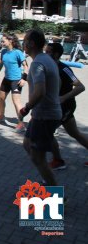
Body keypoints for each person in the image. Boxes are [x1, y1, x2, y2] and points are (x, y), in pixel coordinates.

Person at [19, 30, 62, 187]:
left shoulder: (38, 63)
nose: (23, 43)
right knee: (27, 143)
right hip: (43, 114)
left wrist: (26, 108)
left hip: (45, 116)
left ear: (31, 44)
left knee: (38, 157)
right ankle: (47, 176)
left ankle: (55, 194)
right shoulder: (46, 59)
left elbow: (40, 91)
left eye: (25, 40)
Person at [45, 42, 88, 170]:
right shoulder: (48, 67)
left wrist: (63, 98)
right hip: (55, 107)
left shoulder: (64, 69)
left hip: (65, 107)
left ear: (56, 54)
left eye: (48, 52)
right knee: (74, 133)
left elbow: (80, 86)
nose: (45, 54)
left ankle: (58, 161)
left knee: (47, 132)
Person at [0, 33, 28, 132]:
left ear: (10, 41)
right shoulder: (3, 52)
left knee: (16, 101)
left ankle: (21, 123)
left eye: (3, 41)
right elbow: (1, 63)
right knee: (1, 98)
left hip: (16, 80)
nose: (2, 42)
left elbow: (26, 66)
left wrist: (24, 79)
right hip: (6, 79)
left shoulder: (18, 53)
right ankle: (1, 116)